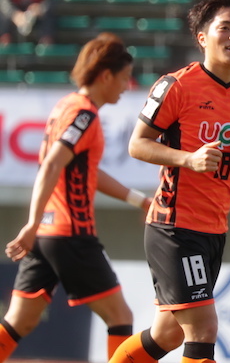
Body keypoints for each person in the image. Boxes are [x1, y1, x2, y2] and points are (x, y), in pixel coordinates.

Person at [109, 0, 230, 363]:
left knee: (166, 335)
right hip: (175, 226)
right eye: (225, 27)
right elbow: (138, 144)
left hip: (215, 227)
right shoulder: (177, 85)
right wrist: (188, 159)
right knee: (203, 328)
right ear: (202, 37)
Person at [0, 33, 148, 361]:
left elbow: (87, 172)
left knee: (19, 320)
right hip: (71, 233)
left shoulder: (65, 106)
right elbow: (52, 164)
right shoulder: (84, 115)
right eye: (124, 78)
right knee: (120, 317)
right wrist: (30, 223)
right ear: (106, 76)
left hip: (47, 235)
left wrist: (140, 200)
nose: (127, 87)